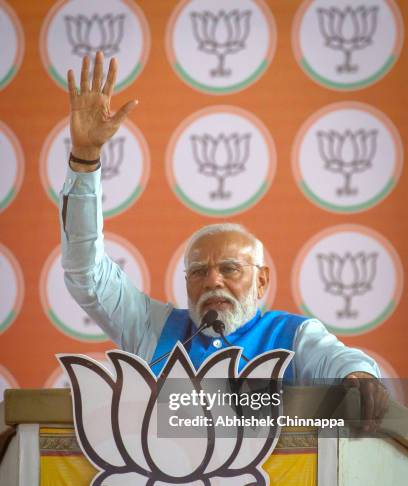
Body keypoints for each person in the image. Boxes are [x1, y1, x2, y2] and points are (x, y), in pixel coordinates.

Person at [61, 52, 387, 429]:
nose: (212, 280)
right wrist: (85, 160)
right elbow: (86, 273)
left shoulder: (293, 335)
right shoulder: (153, 328)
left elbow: (342, 362)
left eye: (229, 268)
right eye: (198, 271)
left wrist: (360, 375)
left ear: (261, 279)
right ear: (186, 282)